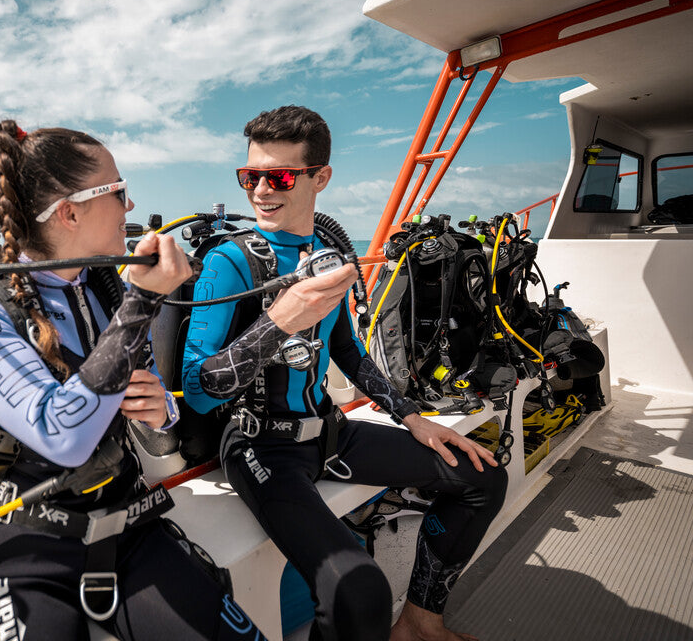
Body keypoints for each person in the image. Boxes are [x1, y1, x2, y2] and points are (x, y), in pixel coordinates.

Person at [181, 106, 508, 641]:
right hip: (262, 449)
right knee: (358, 590)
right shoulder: (228, 263)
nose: (262, 190)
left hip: (331, 433)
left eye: (280, 176)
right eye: (250, 176)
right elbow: (197, 391)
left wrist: (411, 418)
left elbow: (347, 353)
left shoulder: (328, 256)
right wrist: (277, 322)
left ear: (320, 178)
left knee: (481, 476)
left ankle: (421, 625)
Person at [0, 120, 269, 641]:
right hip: (30, 542)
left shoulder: (107, 292)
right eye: (118, 192)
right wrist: (142, 300)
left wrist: (161, 409)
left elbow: (161, 414)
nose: (130, 207)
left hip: (126, 522)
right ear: (70, 212)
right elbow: (61, 435)